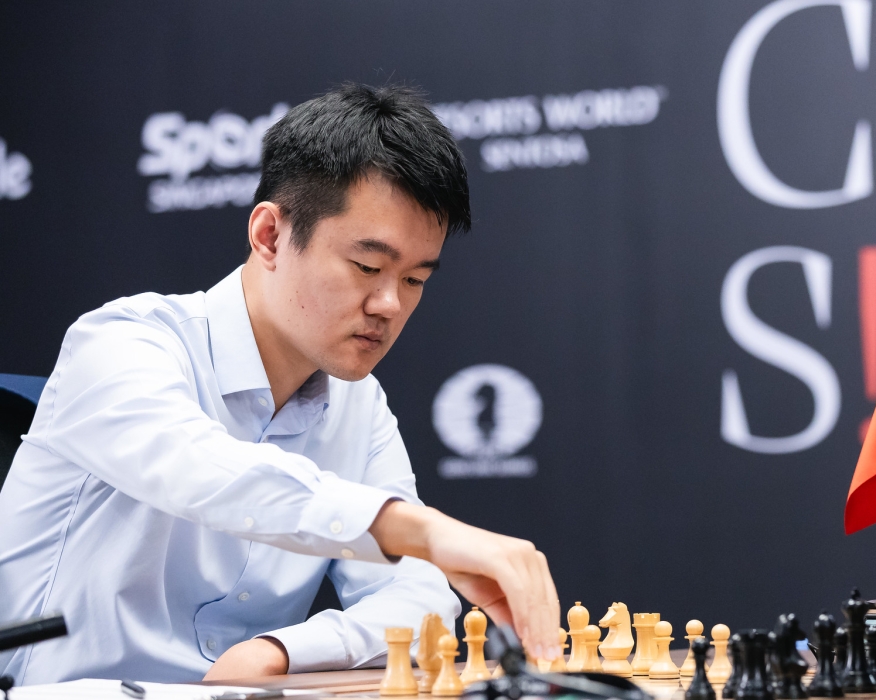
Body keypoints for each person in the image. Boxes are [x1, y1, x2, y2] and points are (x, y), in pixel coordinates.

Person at [0, 84, 560, 684]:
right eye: (368, 266)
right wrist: (423, 531)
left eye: (417, 278)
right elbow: (209, 475)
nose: (389, 303)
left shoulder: (358, 402)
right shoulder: (121, 343)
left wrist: (281, 650)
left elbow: (417, 594)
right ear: (269, 236)